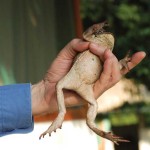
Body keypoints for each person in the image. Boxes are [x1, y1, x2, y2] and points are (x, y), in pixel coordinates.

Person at [0, 39, 146, 136]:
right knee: (60, 86)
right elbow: (85, 36)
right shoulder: (90, 42)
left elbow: (109, 65)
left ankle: (93, 126)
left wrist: (120, 63)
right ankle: (61, 114)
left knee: (93, 103)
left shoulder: (104, 55)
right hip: (74, 75)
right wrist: (44, 95)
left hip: (86, 85)